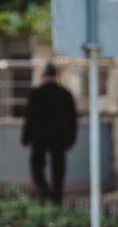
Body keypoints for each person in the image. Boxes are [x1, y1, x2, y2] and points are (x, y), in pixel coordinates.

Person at [21, 63, 77, 204]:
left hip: (39, 137)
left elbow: (30, 118)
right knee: (58, 167)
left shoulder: (36, 93)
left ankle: (43, 189)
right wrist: (71, 139)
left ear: (43, 76)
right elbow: (72, 119)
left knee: (37, 165)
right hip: (59, 137)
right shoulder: (65, 94)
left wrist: (25, 138)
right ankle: (56, 194)